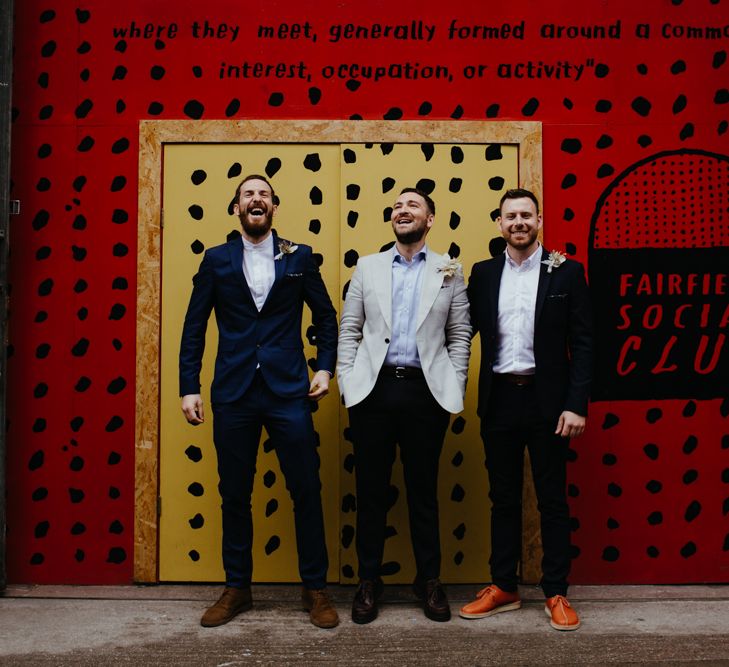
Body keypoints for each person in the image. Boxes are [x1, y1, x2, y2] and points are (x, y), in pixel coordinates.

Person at [179, 175, 339, 629]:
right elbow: (194, 328)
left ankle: (316, 589)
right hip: (232, 393)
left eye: (264, 194)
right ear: (236, 208)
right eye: (248, 194)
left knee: (306, 489)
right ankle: (237, 588)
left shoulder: (300, 257)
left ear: (274, 207)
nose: (256, 199)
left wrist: (324, 368)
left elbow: (326, 319)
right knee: (234, 493)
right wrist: (188, 385)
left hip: (289, 391)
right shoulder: (216, 260)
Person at [337, 187, 471, 624]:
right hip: (372, 395)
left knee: (423, 494)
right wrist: (347, 382)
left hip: (424, 395)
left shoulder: (450, 270)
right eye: (397, 205)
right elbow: (350, 328)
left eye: (412, 205)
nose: (402, 210)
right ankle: (368, 581)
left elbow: (460, 335)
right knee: (371, 493)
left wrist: (454, 383)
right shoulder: (368, 267)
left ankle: (428, 581)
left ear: (429, 220)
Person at [461, 188, 592, 631]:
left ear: (540, 220)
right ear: (499, 223)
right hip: (499, 399)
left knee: (553, 500)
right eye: (509, 216)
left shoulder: (567, 272)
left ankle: (555, 591)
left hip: (549, 404)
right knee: (503, 498)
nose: (518, 222)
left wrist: (576, 405)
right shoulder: (481, 273)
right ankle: (504, 586)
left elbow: (586, 344)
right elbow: (460, 330)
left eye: (525, 215)